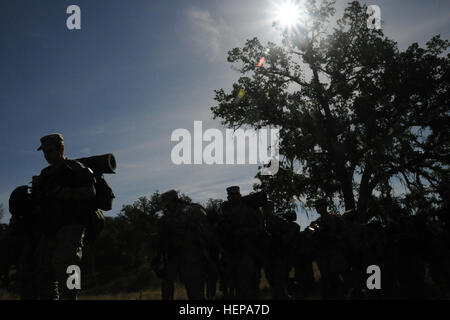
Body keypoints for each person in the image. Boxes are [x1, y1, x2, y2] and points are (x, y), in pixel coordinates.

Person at [32, 133, 96, 299]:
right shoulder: (45, 173)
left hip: (71, 227)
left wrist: (63, 192)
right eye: (44, 152)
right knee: (44, 271)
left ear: (61, 148)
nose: (46, 155)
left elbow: (90, 192)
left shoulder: (75, 168)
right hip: (50, 228)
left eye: (50, 150)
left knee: (69, 269)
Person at [154, 190, 215, 300]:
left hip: (191, 256)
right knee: (168, 284)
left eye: (167, 203)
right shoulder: (168, 216)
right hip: (174, 256)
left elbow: (203, 232)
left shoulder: (187, 212)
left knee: (194, 288)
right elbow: (161, 239)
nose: (166, 206)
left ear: (173, 201)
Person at [217, 186, 266, 299]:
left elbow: (260, 229)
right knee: (231, 283)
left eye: (234, 195)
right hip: (230, 253)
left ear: (239, 196)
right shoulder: (225, 212)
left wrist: (244, 231)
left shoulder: (249, 210)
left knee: (248, 283)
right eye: (230, 196)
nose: (232, 197)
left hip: (247, 251)